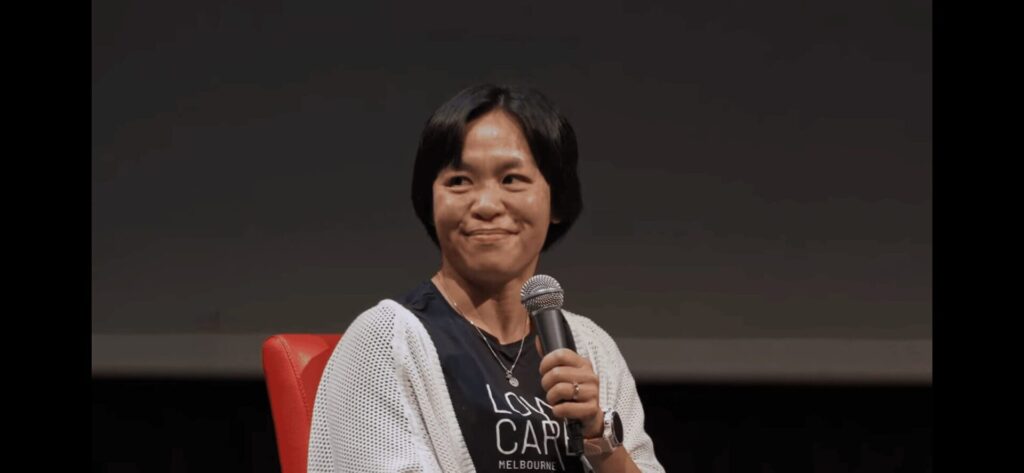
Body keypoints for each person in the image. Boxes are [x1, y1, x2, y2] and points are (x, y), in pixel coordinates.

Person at [308, 84, 664, 473]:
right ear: (430, 202)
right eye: (459, 181)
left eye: (512, 179)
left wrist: (598, 437)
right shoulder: (386, 340)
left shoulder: (591, 348)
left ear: (557, 201)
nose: (487, 205)